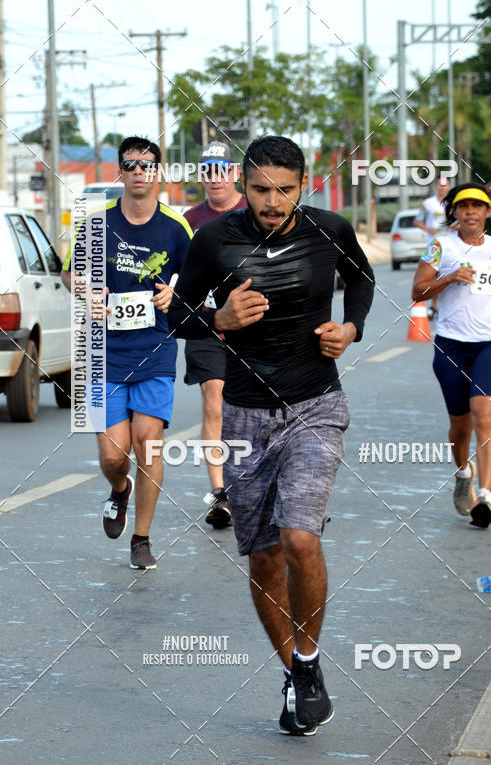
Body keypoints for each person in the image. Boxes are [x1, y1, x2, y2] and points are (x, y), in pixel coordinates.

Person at [168, 135, 374, 735]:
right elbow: (177, 310)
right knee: (263, 556)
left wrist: (352, 327)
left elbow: (360, 278)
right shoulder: (215, 239)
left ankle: (306, 663)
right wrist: (216, 320)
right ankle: (297, 674)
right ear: (244, 184)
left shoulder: (328, 228)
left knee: (299, 538)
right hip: (245, 414)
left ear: (301, 185)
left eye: (284, 190)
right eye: (260, 189)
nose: (272, 201)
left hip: (316, 403)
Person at [62, 137, 192, 569]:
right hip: (105, 353)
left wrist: (175, 291)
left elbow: (197, 278)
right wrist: (85, 290)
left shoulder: (176, 227)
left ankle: (141, 538)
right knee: (114, 455)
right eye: (130, 165)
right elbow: (68, 273)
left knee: (148, 445)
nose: (139, 172)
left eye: (147, 165)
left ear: (158, 172)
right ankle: (120, 490)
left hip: (155, 349)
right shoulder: (96, 224)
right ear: (120, 172)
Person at [411, 183, 491, 529]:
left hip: (490, 343)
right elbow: (417, 291)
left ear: (487, 213)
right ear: (454, 212)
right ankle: (463, 473)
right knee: (459, 426)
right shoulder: (441, 247)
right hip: (451, 344)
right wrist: (450, 277)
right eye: (463, 206)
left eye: (477, 206)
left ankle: (486, 497)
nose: (470, 212)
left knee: (485, 414)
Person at [183, 141, 247, 528]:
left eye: (222, 169)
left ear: (235, 174)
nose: (215, 178)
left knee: (254, 406)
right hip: (206, 324)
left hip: (253, 324)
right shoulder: (189, 219)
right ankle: (221, 494)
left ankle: (255, 482)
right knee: (214, 403)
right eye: (208, 170)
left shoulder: (253, 209)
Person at [414, 177, 451, 318]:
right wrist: (428, 229)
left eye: (445, 185)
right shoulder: (428, 204)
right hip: (434, 246)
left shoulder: (454, 203)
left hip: (451, 245)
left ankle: (445, 306)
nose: (442, 188)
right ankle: (434, 306)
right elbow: (417, 221)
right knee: (434, 277)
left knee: (448, 276)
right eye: (440, 185)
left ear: (449, 186)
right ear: (436, 186)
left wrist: (454, 226)